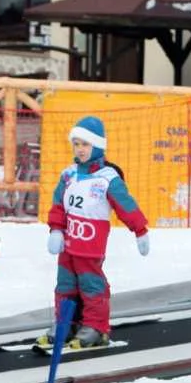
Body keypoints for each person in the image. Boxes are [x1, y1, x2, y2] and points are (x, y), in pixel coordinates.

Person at [44, 114, 148, 349]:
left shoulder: (107, 178)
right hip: (68, 244)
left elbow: (125, 204)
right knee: (65, 285)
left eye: (86, 144)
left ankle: (96, 327)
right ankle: (66, 323)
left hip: (90, 245)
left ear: (98, 145)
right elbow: (59, 204)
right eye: (77, 144)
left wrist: (140, 230)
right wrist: (56, 230)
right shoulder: (69, 174)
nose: (80, 150)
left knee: (91, 285)